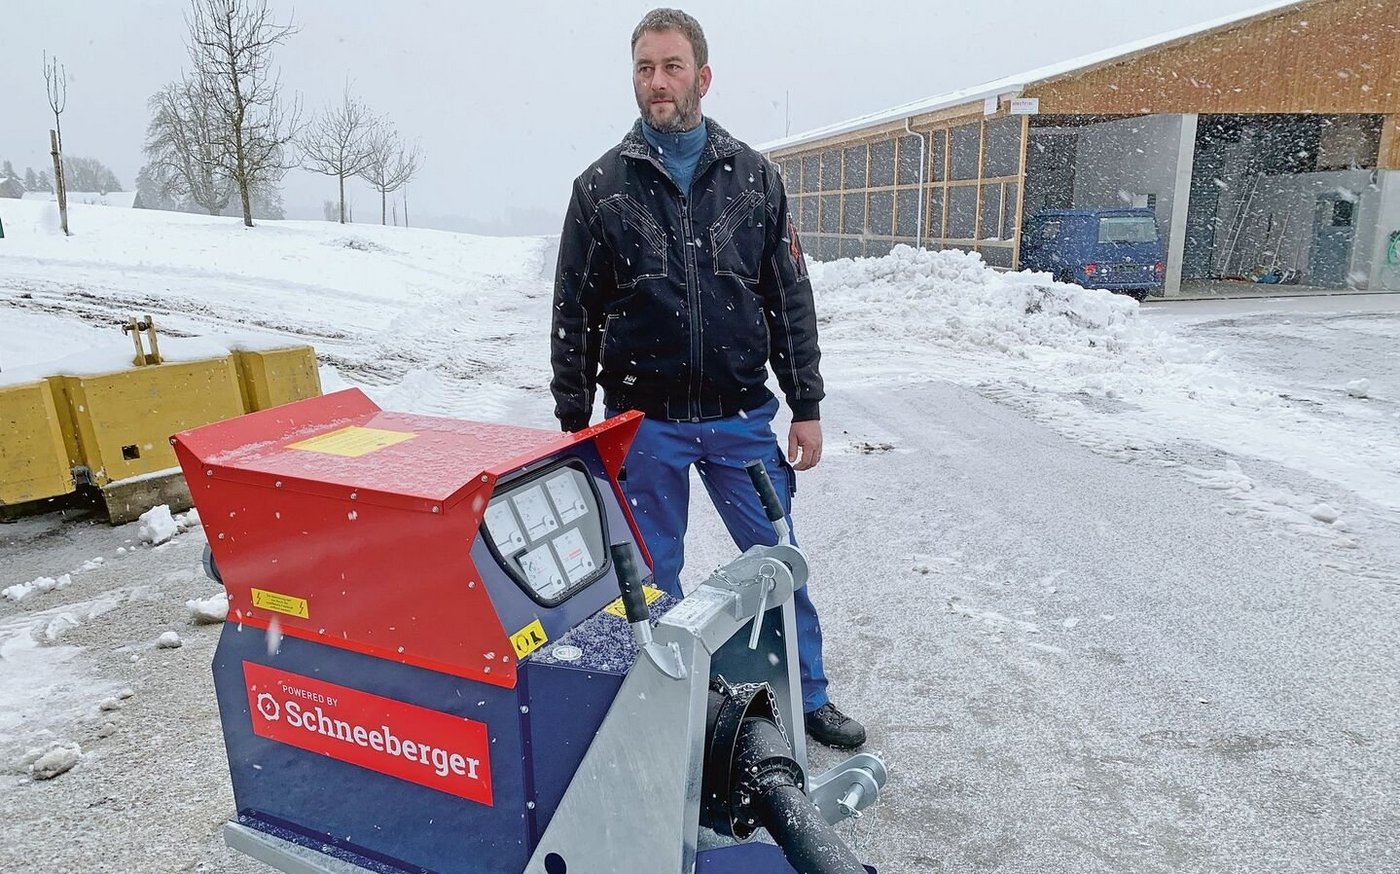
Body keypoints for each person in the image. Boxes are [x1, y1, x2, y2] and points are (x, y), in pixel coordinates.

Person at [549, 8, 865, 750]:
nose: (658, 82)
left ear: (703, 76)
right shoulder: (600, 189)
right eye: (645, 68)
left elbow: (788, 297)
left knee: (778, 562)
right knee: (651, 581)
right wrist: (575, 422)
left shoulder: (754, 178)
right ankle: (669, 704)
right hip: (644, 426)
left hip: (740, 419)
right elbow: (575, 311)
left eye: (671, 67)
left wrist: (806, 404)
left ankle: (805, 694)